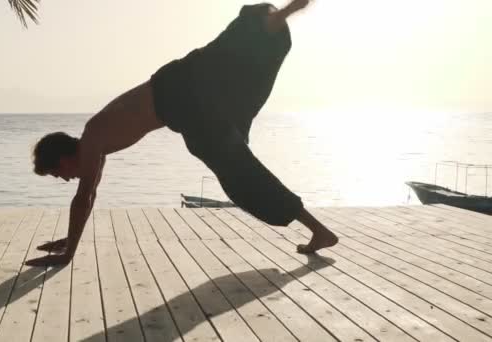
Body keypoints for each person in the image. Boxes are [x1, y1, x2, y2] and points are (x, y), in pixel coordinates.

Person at [26, 0, 338, 267]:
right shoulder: (97, 143)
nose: (65, 179)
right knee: (237, 173)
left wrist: (68, 253)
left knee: (224, 59)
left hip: (179, 92)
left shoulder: (93, 137)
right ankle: (318, 230)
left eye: (58, 173)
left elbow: (84, 196)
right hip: (186, 108)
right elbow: (89, 194)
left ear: (63, 157)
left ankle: (277, 16)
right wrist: (70, 238)